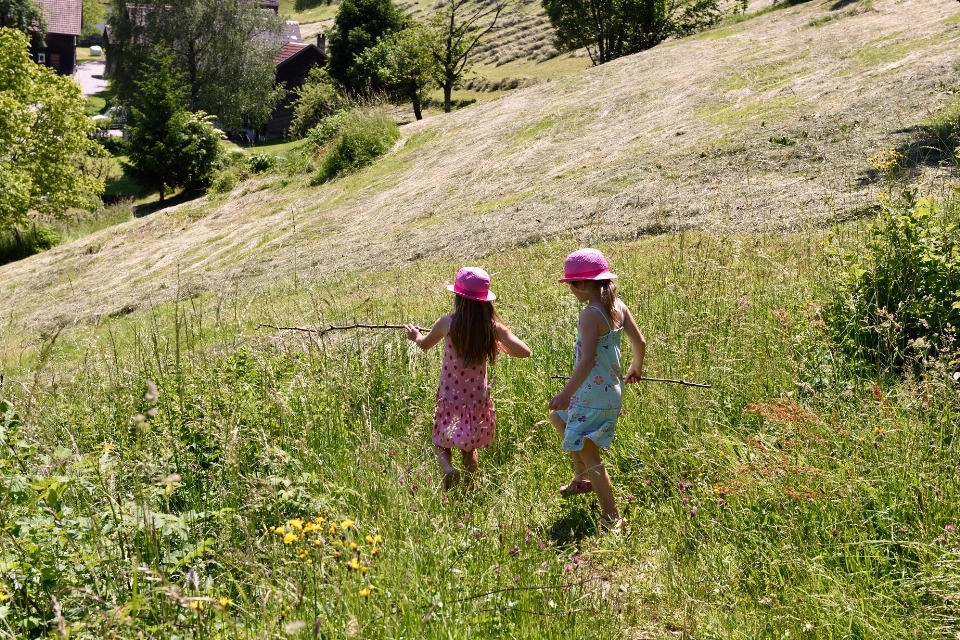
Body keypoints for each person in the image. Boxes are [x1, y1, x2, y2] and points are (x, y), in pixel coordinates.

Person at [406, 267, 531, 490]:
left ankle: (447, 469)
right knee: (468, 447)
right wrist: (498, 345)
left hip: (449, 395)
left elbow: (424, 345)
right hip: (475, 399)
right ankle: (469, 487)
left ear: (458, 298)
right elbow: (525, 351)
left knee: (440, 439)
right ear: (485, 302)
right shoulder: (491, 327)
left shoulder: (447, 323)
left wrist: (416, 336)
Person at [548, 248, 646, 529]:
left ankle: (611, 517)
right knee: (558, 419)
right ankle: (580, 478)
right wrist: (636, 366)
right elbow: (639, 342)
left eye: (571, 286)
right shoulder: (618, 307)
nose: (571, 292)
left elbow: (588, 360)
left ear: (581, 285)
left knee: (591, 453)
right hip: (608, 391)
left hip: (592, 394)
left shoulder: (590, 315)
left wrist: (566, 393)